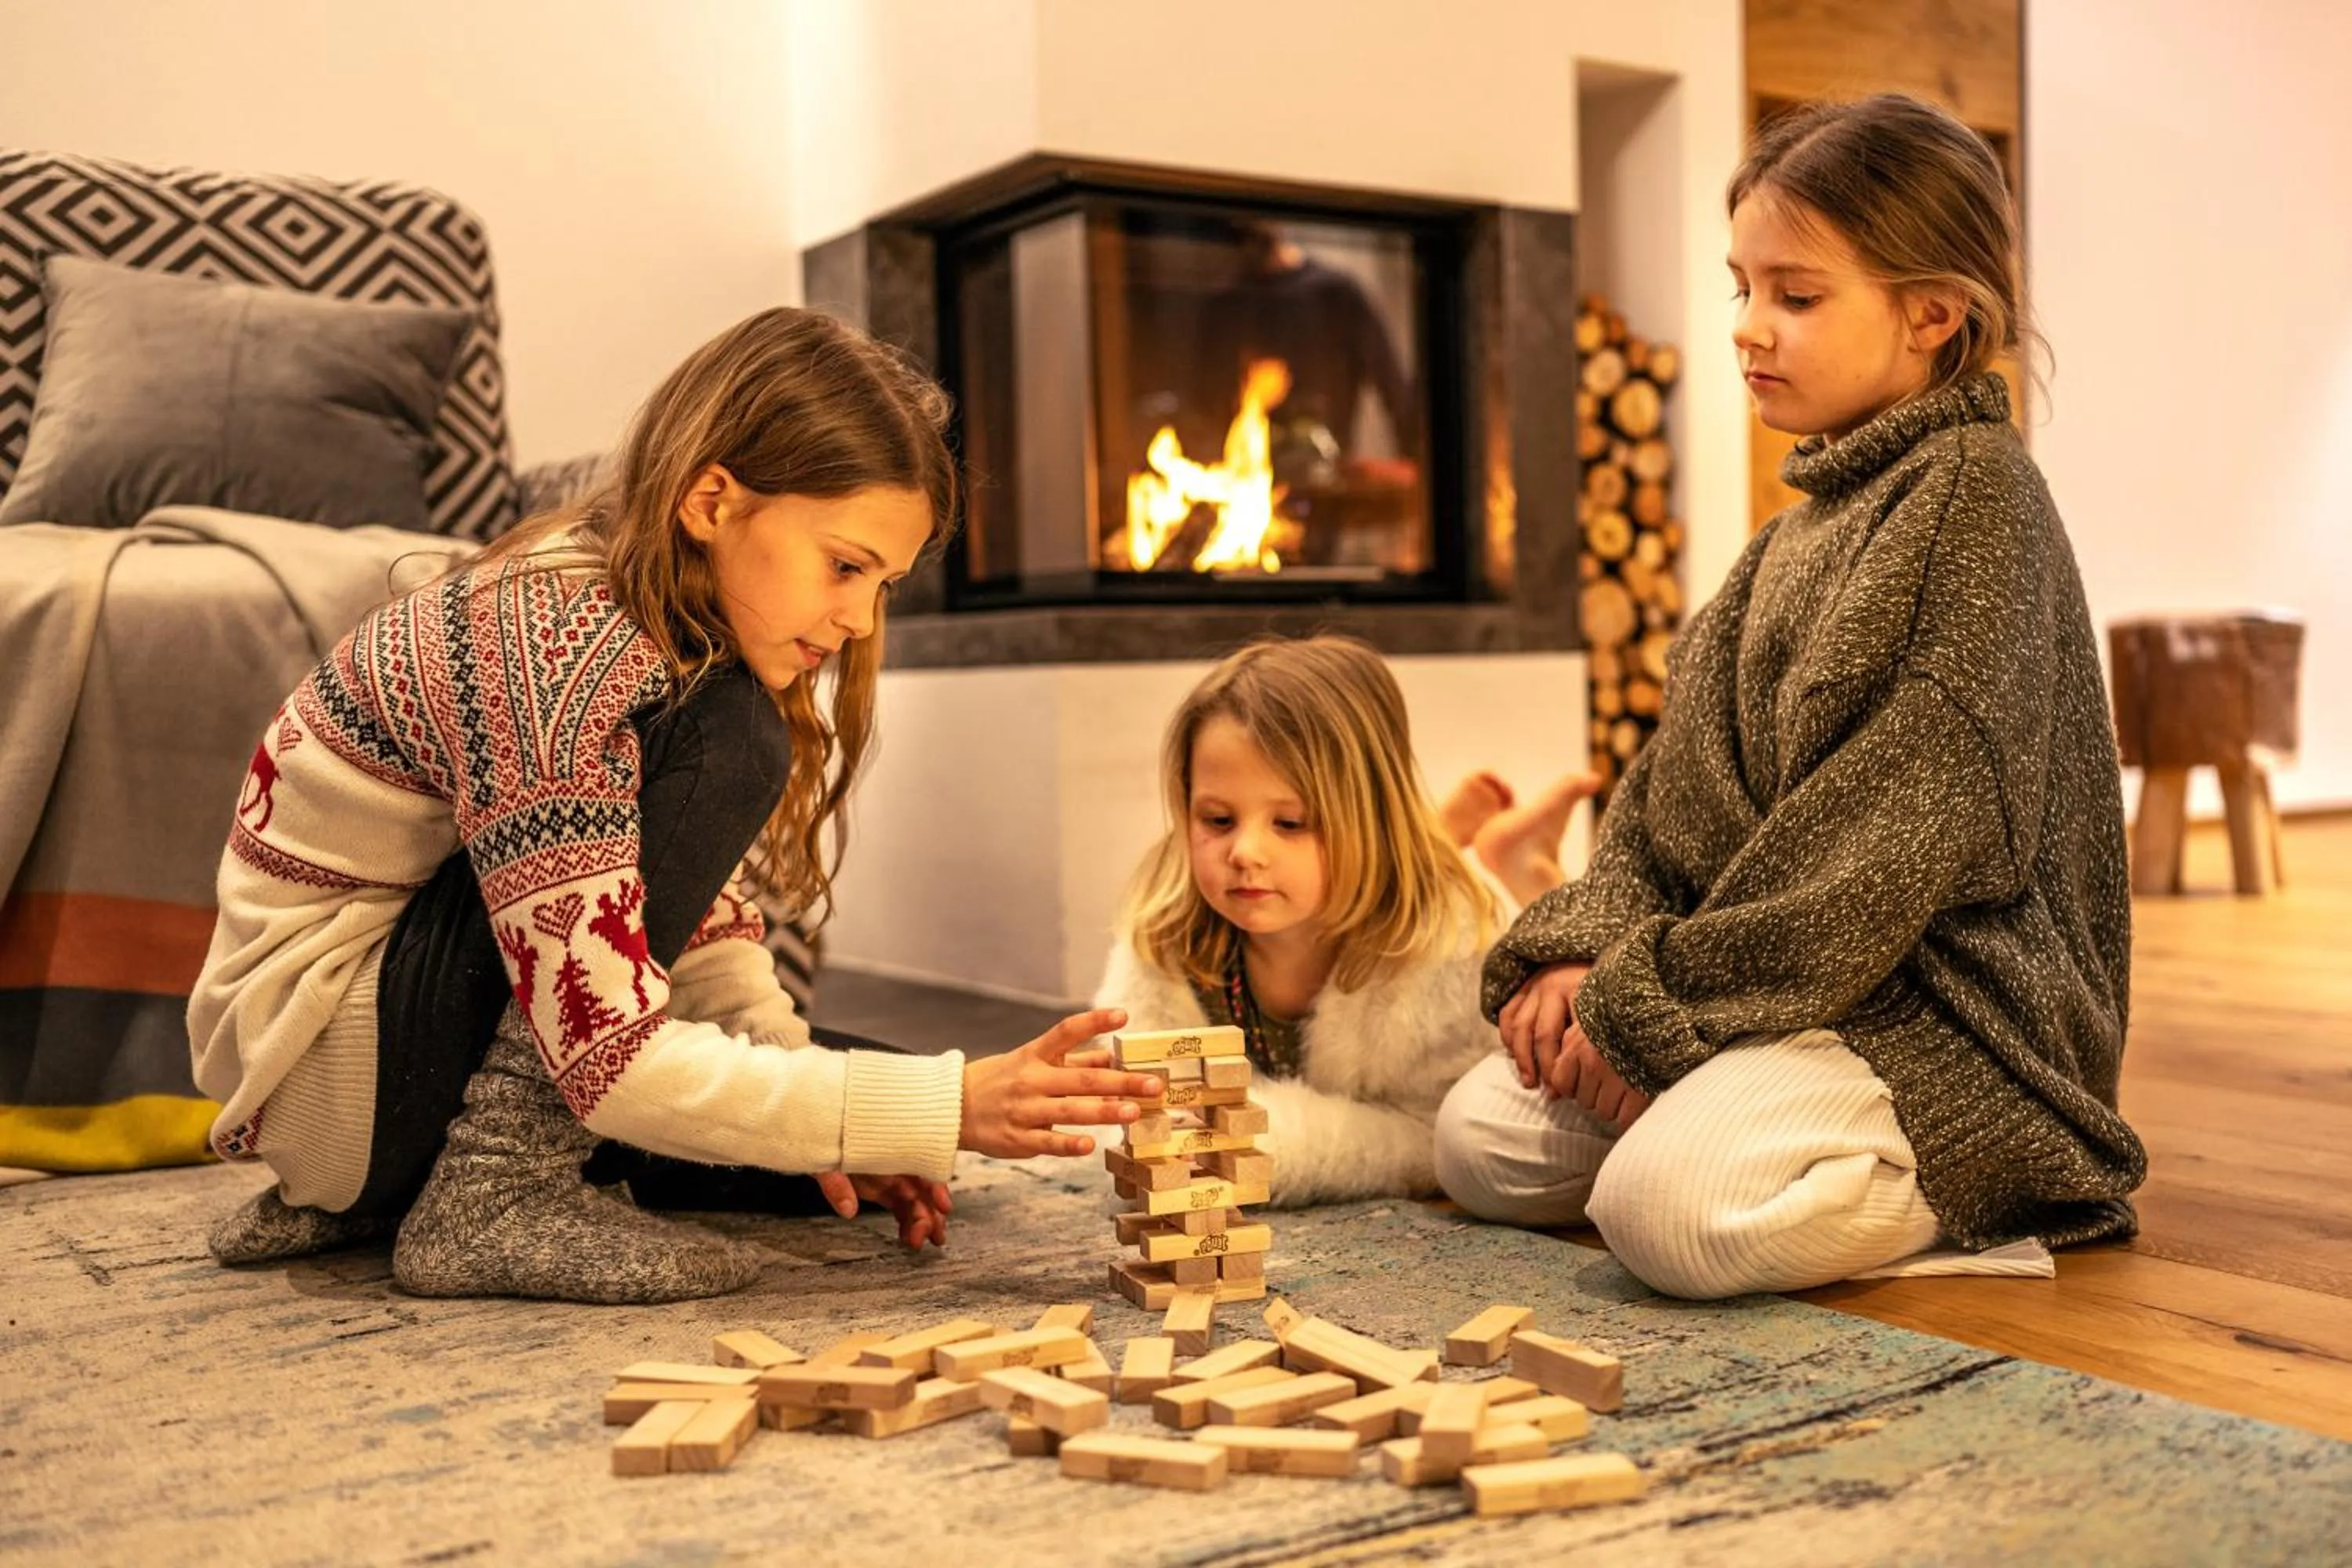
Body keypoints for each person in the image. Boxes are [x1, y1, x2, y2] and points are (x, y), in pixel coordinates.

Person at [188, 308, 1163, 1303]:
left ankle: (467, 1179)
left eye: (886, 584)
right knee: (749, 771)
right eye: (844, 565)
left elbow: (692, 944)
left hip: (405, 1061)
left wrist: (885, 1117)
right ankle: (492, 1190)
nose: (860, 618)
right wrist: (949, 1101)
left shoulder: (662, 628)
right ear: (712, 499)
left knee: (867, 1104)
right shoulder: (560, 642)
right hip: (338, 1066)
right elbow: (607, 1048)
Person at [1432, 93, 2147, 1298]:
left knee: (1671, 1215)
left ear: (1933, 314)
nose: (1749, 329)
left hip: (1946, 1025)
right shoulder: (1790, 541)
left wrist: (1647, 1006)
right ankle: (1732, 1111)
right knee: (1477, 1141)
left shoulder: (1979, 502)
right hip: (1779, 994)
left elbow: (1872, 856)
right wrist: (1582, 955)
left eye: (1796, 297)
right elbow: (1667, 807)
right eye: (1741, 288)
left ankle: (1997, 1190)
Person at [1092, 636, 1500, 1203]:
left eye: (1289, 823)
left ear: (1368, 818)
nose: (1245, 852)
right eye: (1217, 819)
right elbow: (1134, 1103)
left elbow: (1433, 1135)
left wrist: (1257, 1140)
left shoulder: (1445, 950)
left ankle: (1517, 858)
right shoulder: (1166, 936)